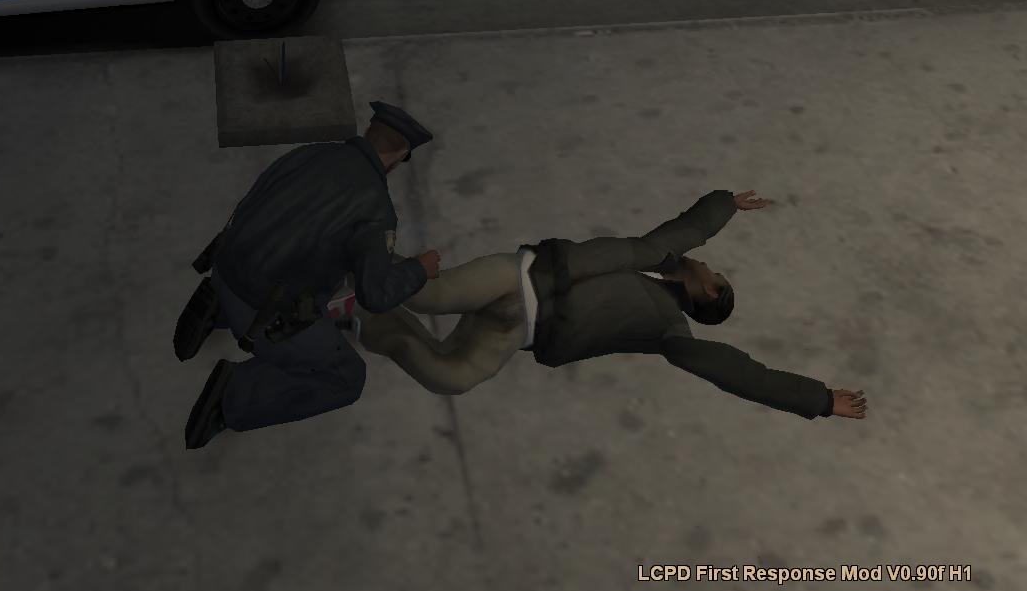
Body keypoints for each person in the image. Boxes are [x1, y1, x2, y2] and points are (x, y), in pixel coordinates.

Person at [352, 190, 869, 421]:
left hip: (520, 332)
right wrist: (727, 204)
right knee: (431, 294)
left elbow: (738, 372)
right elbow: (693, 227)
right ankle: (363, 243)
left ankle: (365, 323)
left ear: (709, 293)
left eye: (716, 275)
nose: (709, 265)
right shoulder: (658, 251)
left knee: (452, 376)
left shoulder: (668, 331)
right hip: (519, 276)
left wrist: (819, 399)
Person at [175, 101, 442, 449]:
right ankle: (232, 397)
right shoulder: (377, 209)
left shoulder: (310, 153)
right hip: (262, 312)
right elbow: (375, 295)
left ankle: (216, 308)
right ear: (398, 157)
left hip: (225, 268)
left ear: (369, 131)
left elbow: (254, 197)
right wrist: (419, 269)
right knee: (346, 377)